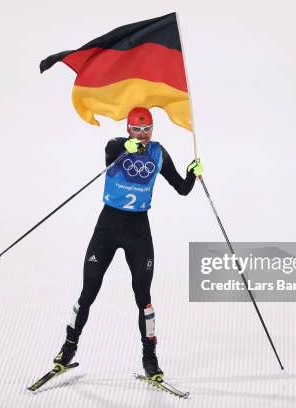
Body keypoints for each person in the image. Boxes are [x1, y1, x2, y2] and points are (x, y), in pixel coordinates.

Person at [52, 107, 204, 379]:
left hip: (138, 231)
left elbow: (182, 188)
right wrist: (126, 145)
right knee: (88, 292)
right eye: (137, 129)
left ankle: (150, 358)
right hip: (108, 227)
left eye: (147, 129)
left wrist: (193, 173)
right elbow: (110, 148)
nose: (143, 135)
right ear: (128, 129)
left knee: (143, 298)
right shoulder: (117, 148)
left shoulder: (158, 152)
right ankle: (68, 347)